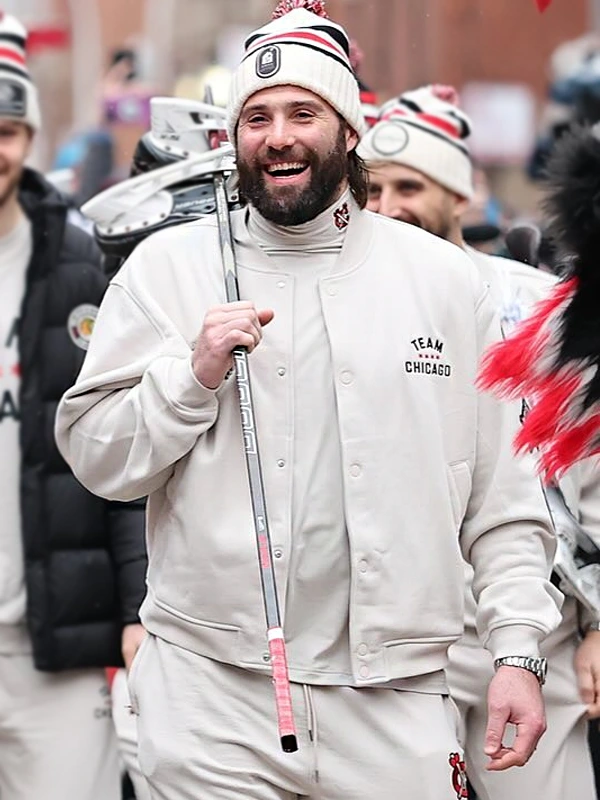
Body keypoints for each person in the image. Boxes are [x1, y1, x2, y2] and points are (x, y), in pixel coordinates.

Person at [55, 2, 562, 798]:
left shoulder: (447, 284)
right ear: (234, 137)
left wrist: (519, 652)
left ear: (350, 129)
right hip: (211, 692)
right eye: (255, 117)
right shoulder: (167, 269)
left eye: (303, 112)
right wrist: (189, 379)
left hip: (394, 697)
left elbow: (504, 504)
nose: (278, 135)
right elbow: (97, 459)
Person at [358, 84, 600, 800]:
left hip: (535, 635)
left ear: (459, 195)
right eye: (372, 188)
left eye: (411, 186)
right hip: (395, 654)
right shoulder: (344, 306)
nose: (388, 206)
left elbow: (589, 477)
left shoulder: (536, 306)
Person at [0, 12, 147, 800]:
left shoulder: (83, 263)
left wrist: (135, 609)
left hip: (56, 645)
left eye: (8, 128)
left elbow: (119, 455)